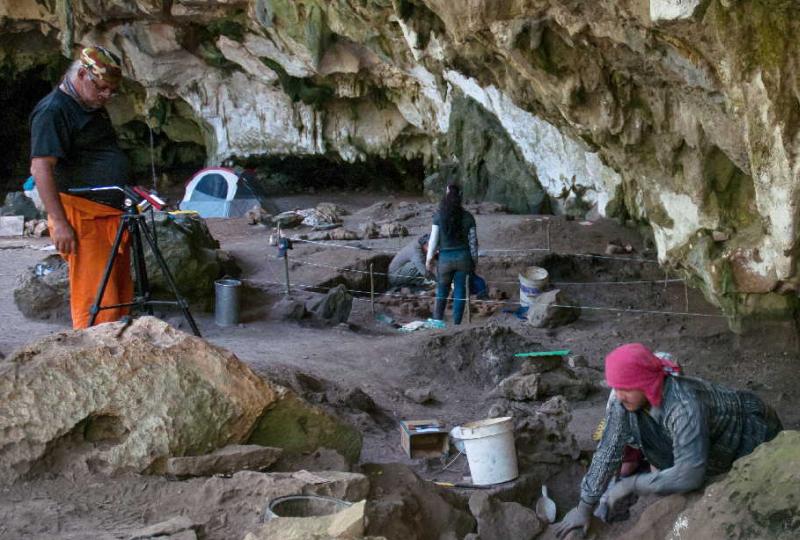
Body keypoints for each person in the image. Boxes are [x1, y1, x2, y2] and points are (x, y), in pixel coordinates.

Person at [553, 343, 783, 539]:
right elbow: (608, 451)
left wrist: (632, 484)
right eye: (616, 387)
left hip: (750, 436)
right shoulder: (623, 401)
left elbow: (690, 475)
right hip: (710, 439)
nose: (620, 395)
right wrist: (584, 507)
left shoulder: (683, 407)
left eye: (626, 388)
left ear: (645, 382)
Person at [29, 45, 133, 329]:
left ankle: (119, 349)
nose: (107, 96)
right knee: (96, 294)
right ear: (83, 75)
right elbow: (40, 169)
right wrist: (60, 224)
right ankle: (95, 350)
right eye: (102, 88)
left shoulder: (90, 104)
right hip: (83, 217)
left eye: (112, 91)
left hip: (108, 214)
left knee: (117, 292)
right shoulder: (53, 111)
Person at [425, 183, 477, 325]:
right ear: (460, 197)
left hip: (445, 260)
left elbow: (433, 241)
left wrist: (428, 260)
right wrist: (474, 261)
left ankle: (437, 321)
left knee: (442, 291)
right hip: (464, 259)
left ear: (446, 195)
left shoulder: (439, 216)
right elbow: (473, 243)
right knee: (460, 292)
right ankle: (456, 324)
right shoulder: (468, 217)